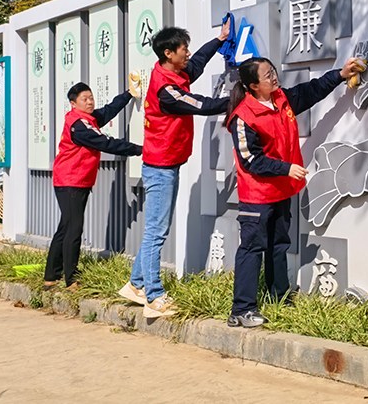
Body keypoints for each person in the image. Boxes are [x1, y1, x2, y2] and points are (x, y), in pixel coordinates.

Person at [224, 55, 365, 328]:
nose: (274, 77)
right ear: (253, 86)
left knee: (278, 245)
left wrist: (340, 74)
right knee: (252, 248)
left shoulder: (281, 99)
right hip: (257, 196)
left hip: (281, 190)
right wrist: (286, 168)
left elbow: (311, 91)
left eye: (273, 71)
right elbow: (250, 160)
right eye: (267, 75)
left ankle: (279, 296)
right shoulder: (242, 117)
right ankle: (242, 309)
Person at [119, 22, 231, 319]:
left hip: (167, 163)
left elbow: (197, 64)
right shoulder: (166, 89)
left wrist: (219, 40)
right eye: (183, 49)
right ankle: (154, 297)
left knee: (156, 229)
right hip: (160, 167)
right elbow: (200, 105)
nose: (188, 53)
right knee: (156, 232)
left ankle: (136, 285)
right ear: (168, 53)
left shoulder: (175, 72)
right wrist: (237, 100)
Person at [44, 82, 142, 290]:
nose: (89, 102)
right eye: (84, 99)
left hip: (74, 180)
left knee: (65, 227)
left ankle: (51, 276)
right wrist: (139, 149)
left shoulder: (87, 119)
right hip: (70, 181)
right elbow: (106, 143)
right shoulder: (79, 125)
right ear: (73, 103)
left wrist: (128, 94)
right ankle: (71, 279)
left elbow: (108, 111)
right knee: (74, 228)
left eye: (91, 98)